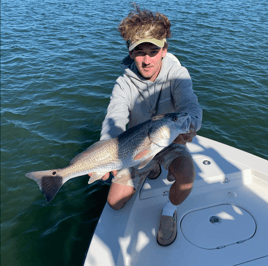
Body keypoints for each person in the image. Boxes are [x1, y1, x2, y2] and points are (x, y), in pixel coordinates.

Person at [89, 4, 202, 246]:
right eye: (140, 52)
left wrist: (190, 128)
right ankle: (152, 168)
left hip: (170, 141)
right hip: (136, 146)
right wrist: (103, 154)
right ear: (130, 53)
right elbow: (114, 120)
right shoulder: (123, 84)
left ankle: (169, 211)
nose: (147, 59)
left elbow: (192, 109)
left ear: (164, 50)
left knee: (187, 177)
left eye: (153, 50)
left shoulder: (178, 74)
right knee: (114, 203)